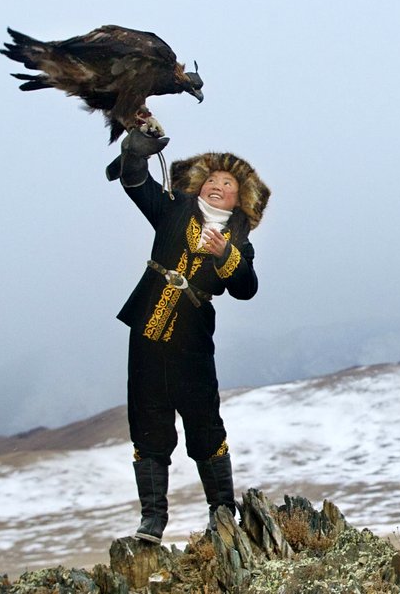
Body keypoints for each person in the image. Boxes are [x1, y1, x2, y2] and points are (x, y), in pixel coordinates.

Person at [106, 131, 271, 544]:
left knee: (204, 422)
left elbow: (246, 288)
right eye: (212, 180)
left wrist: (225, 256)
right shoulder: (174, 208)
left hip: (193, 339)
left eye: (228, 185)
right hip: (147, 330)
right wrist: (134, 155)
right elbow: (137, 185)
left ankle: (223, 515)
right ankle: (152, 521)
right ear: (199, 185)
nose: (218, 186)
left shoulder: (238, 239)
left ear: (239, 199)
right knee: (147, 421)